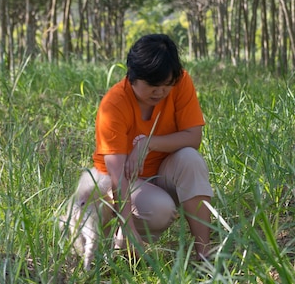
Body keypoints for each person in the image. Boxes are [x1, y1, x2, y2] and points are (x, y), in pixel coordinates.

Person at [83, 33, 214, 261]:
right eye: (153, 85)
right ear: (133, 77)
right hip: (124, 181)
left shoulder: (181, 82)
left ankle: (205, 254)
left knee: (191, 160)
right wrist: (128, 226)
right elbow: (117, 176)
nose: (160, 92)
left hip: (162, 173)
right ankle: (118, 235)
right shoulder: (114, 105)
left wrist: (149, 143)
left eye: (167, 85)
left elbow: (193, 137)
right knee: (160, 210)